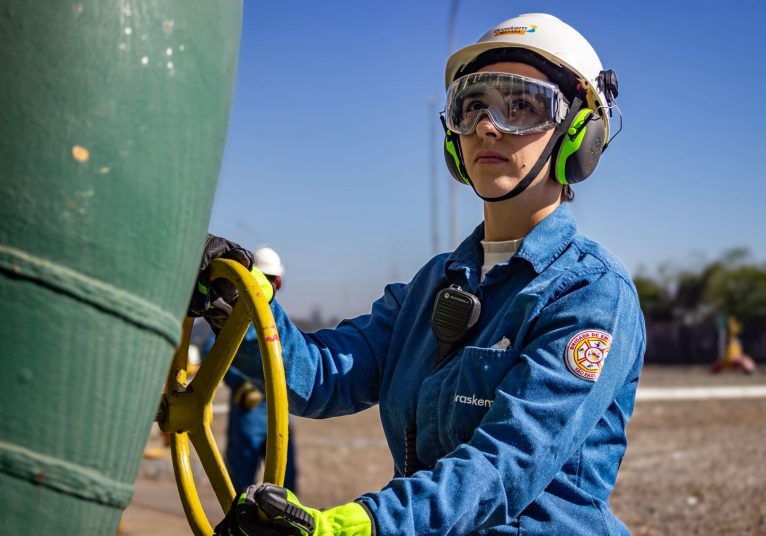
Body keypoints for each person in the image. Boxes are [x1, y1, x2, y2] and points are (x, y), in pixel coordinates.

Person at [196, 13, 645, 536]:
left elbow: (501, 467)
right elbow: (318, 378)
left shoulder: (590, 293)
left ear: (579, 131)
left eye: (522, 105)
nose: (487, 125)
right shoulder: (434, 285)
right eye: (473, 105)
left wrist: (362, 525)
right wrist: (239, 305)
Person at [201, 247, 299, 493]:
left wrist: (242, 383)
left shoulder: (236, 320)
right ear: (279, 281)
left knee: (245, 485)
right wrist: (246, 384)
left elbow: (212, 351)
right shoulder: (279, 327)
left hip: (254, 410)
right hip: (269, 411)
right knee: (278, 487)